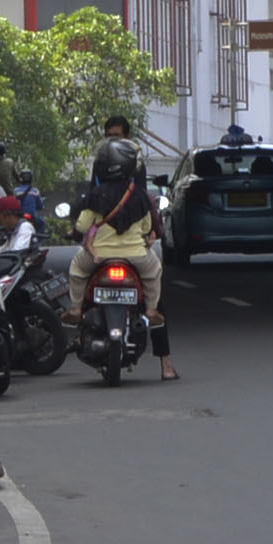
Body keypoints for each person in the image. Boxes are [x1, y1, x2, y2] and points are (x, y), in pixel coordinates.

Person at [68, 134, 173, 381]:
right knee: (154, 272)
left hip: (99, 257)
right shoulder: (140, 195)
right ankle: (151, 309)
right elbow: (148, 226)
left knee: (76, 269)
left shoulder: (96, 195)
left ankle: (74, 308)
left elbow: (83, 226)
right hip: (135, 256)